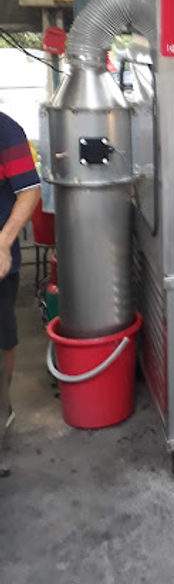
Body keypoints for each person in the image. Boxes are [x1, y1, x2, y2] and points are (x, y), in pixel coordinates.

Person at [0, 112, 41, 445]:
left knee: (2, 339)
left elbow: (29, 190)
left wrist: (3, 242)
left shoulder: (6, 129)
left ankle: (2, 409)